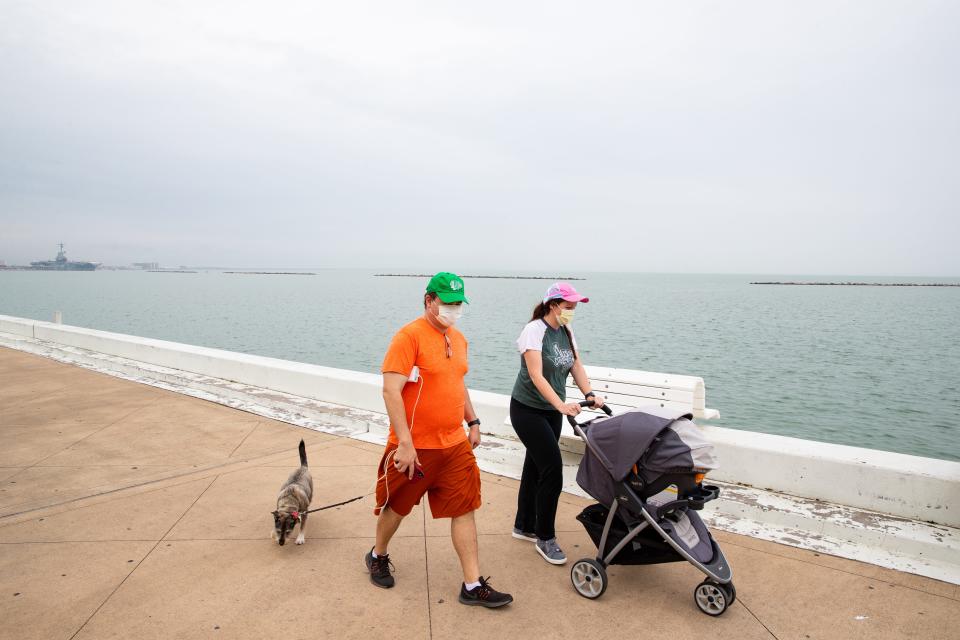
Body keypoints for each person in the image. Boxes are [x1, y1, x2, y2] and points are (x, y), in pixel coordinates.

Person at [365, 272, 513, 608]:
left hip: (454, 445)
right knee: (397, 508)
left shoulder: (458, 339)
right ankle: (378, 554)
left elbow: (457, 384)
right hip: (415, 447)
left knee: (465, 508)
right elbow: (391, 390)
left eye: (458, 302)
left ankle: (473, 585)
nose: (453, 308)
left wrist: (472, 421)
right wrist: (404, 442)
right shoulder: (409, 337)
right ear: (429, 300)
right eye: (447, 302)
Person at [510, 282, 605, 565]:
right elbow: (536, 375)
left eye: (574, 307)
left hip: (549, 411)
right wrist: (561, 405)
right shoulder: (534, 331)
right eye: (568, 307)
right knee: (552, 470)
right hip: (527, 410)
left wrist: (589, 393)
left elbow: (575, 364)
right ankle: (545, 537)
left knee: (534, 466)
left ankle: (524, 525)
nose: (572, 311)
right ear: (553, 305)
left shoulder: (565, 330)